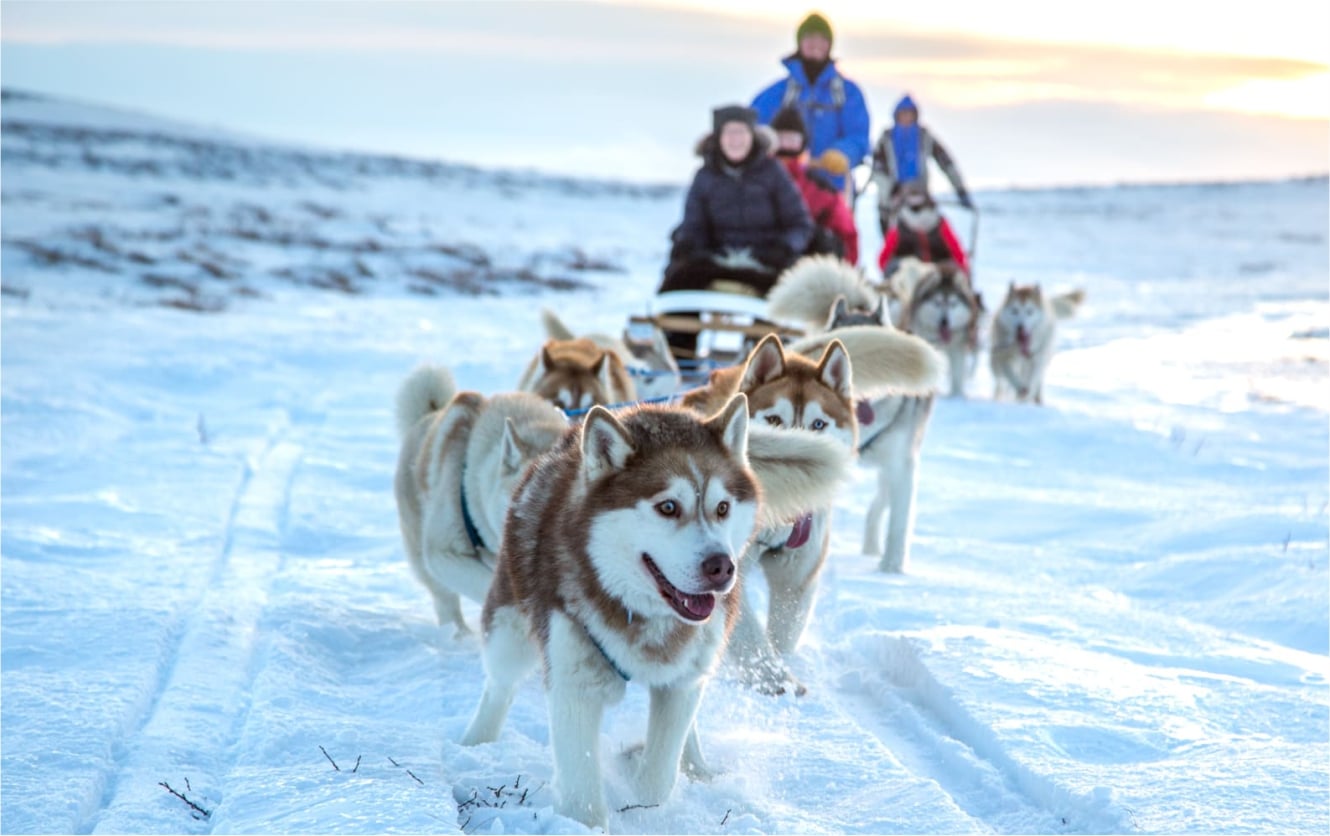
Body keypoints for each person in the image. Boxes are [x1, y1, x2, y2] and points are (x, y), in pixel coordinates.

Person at [658, 105, 813, 357]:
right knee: (678, 283)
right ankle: (678, 357)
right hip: (714, 260)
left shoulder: (774, 173)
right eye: (729, 133)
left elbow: (800, 224)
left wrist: (784, 248)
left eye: (741, 133)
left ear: (753, 136)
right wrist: (692, 246)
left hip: (765, 262)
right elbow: (693, 224)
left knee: (779, 300)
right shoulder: (704, 176)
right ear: (718, 137)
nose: (735, 140)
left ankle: (763, 363)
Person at [751, 12, 870, 203]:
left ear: (829, 45)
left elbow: (859, 136)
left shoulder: (848, 93)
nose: (815, 44)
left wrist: (843, 153)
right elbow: (754, 129)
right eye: (809, 38)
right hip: (782, 188)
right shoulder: (778, 93)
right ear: (800, 43)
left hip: (832, 190)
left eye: (821, 39)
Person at [769, 106, 859, 265]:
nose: (786, 146)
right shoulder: (754, 181)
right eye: (781, 139)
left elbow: (847, 237)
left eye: (792, 140)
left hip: (805, 267)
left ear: (802, 144)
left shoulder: (822, 191)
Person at [871, 94, 973, 232]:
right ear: (896, 115)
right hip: (893, 199)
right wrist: (888, 195)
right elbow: (878, 171)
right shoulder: (886, 139)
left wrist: (960, 191)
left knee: (931, 233)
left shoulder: (924, 137)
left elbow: (946, 163)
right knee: (894, 238)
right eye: (903, 114)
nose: (907, 118)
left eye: (910, 114)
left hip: (921, 196)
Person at [876, 183, 971, 278]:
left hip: (912, 278)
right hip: (940, 274)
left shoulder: (899, 226)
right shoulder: (940, 222)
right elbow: (958, 255)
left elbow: (883, 260)